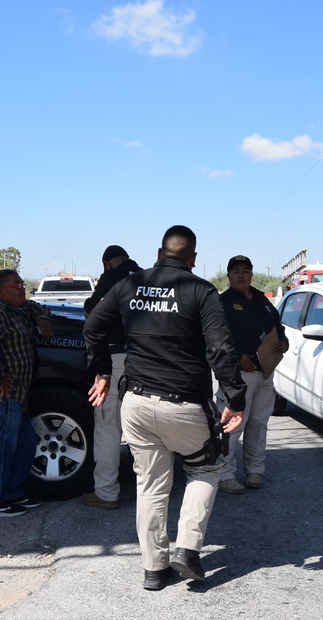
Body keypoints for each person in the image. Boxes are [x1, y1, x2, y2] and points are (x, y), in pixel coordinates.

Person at [83, 225, 245, 591]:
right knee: (207, 468)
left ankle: (154, 569)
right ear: (193, 259)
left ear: (159, 253)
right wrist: (235, 398)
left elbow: (92, 327)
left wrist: (103, 371)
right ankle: (187, 550)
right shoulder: (201, 290)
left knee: (151, 484)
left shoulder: (130, 284)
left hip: (136, 403)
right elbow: (221, 348)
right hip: (184, 404)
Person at [0, 270, 53, 518]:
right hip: (3, 397)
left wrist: (41, 318)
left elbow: (37, 307)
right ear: (1, 291)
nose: (22, 287)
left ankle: (14, 493)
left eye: (22, 283)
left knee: (26, 443)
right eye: (16, 284)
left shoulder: (16, 310)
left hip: (18, 397)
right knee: (3, 448)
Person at [215, 255, 289, 494]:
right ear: (228, 276)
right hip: (238, 375)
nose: (241, 275)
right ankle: (224, 474)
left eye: (245, 271)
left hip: (265, 373)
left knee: (258, 423)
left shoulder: (262, 300)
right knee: (232, 425)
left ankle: (255, 471)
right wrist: (238, 356)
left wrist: (283, 342)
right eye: (236, 271)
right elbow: (216, 337)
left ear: (251, 275)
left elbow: (278, 327)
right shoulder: (222, 302)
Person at [81, 245, 143, 510]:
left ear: (107, 264)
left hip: (115, 359)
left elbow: (92, 311)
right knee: (144, 429)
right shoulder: (147, 277)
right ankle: (149, 492)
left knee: (108, 426)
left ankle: (106, 492)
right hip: (146, 361)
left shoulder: (112, 277)